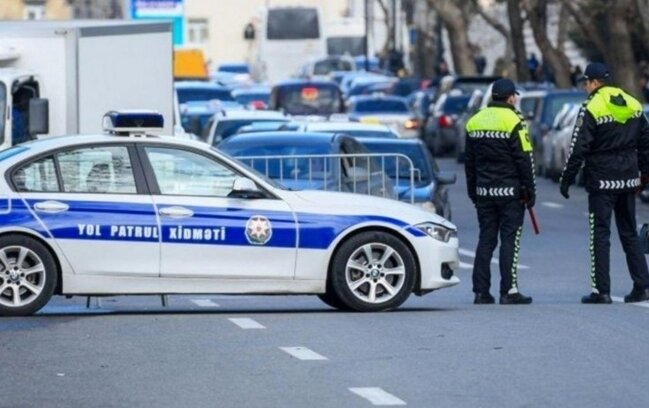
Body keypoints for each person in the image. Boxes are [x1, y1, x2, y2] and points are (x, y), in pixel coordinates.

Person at [559, 62, 649, 304]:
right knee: (629, 232)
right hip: (629, 178)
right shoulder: (631, 102)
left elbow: (579, 146)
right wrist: (645, 174)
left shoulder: (592, 106)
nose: (585, 88)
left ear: (595, 82)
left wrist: (567, 179)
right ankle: (642, 285)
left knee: (600, 234)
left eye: (586, 83)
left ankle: (602, 291)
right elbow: (646, 142)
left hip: (601, 180)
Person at [465, 78, 536, 305]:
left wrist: (473, 191)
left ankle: (480, 291)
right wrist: (529, 189)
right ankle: (509, 291)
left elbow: (470, 163)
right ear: (511, 97)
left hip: (484, 192)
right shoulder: (515, 120)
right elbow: (524, 158)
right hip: (510, 193)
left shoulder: (474, 121)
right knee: (509, 241)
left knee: (486, 240)